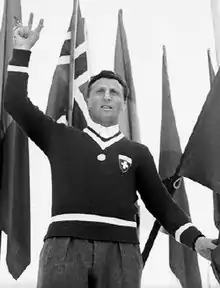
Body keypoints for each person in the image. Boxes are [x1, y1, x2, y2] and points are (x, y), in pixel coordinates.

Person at [5, 13, 217, 288]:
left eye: (114, 92)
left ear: (123, 103)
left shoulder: (137, 152)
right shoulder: (59, 136)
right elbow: (15, 103)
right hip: (64, 248)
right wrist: (22, 52)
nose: (107, 96)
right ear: (88, 101)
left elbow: (162, 205)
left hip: (122, 252)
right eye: (100, 91)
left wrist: (196, 239)